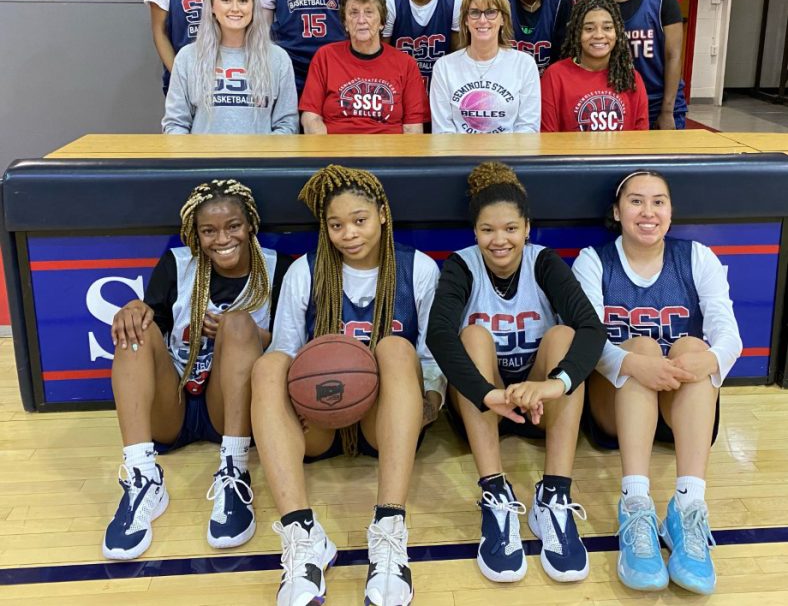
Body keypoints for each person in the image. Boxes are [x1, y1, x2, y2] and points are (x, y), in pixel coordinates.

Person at [250, 165, 445, 606]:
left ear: (381, 213)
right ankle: (302, 538)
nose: (349, 233)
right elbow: (284, 349)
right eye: (336, 225)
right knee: (268, 367)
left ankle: (389, 530)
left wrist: (431, 396)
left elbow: (432, 356)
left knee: (396, 349)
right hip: (319, 423)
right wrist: (294, 401)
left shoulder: (419, 270)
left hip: (384, 425)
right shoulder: (307, 270)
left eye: (359, 220)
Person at [426, 162, 607, 585]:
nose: (499, 240)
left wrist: (554, 383)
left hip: (538, 405)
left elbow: (592, 328)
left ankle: (554, 494)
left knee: (564, 334)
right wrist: (486, 393)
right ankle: (495, 492)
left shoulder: (544, 262)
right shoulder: (461, 266)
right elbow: (437, 334)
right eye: (488, 230)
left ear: (528, 228)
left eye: (510, 228)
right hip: (483, 405)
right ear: (474, 233)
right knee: (471, 336)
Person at [572, 170, 742, 595]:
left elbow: (730, 335)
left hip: (680, 408)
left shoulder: (696, 256)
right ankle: (635, 505)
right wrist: (634, 362)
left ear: (670, 211)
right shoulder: (593, 261)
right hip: (615, 409)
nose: (648, 212)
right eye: (636, 201)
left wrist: (708, 359)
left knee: (691, 346)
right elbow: (587, 339)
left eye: (659, 202)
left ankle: (688, 505)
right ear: (617, 211)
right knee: (642, 350)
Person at [102, 179, 290, 560]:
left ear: (250, 223)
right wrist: (134, 310)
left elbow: (292, 345)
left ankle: (234, 472)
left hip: (232, 410)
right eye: (209, 230)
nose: (222, 238)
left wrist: (252, 334)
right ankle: (142, 478)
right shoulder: (177, 264)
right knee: (133, 329)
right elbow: (150, 320)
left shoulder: (279, 268)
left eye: (233, 226)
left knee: (238, 323)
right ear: (196, 234)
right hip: (176, 404)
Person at [163, 0, 298, 135]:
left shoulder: (278, 59)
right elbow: (175, 125)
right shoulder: (187, 57)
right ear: (212, 6)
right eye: (226, 0)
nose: (235, 8)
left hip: (260, 159)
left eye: (243, 0)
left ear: (253, 6)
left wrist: (262, 158)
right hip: (202, 160)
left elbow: (287, 125)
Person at [299, 0, 429, 134]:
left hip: (388, 153)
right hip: (338, 153)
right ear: (345, 23)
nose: (361, 20)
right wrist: (328, 155)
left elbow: (413, 127)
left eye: (369, 12)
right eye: (353, 13)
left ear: (382, 23)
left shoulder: (406, 64)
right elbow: (311, 118)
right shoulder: (325, 57)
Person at [429, 0, 540, 134]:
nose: (482, 20)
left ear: (503, 19)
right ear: (466, 20)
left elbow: (528, 128)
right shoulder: (444, 67)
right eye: (475, 12)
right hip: (459, 155)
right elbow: (442, 132)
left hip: (509, 155)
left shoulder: (524, 64)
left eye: (491, 12)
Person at [607, 0, 687, 130]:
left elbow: (673, 56)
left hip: (659, 103)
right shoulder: (603, 3)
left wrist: (667, 111)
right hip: (620, 104)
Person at [540, 0, 649, 132]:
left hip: (620, 154)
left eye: (607, 28)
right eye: (589, 29)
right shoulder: (555, 76)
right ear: (577, 33)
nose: (598, 35)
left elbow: (640, 138)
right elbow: (548, 137)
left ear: (618, 33)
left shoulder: (631, 78)